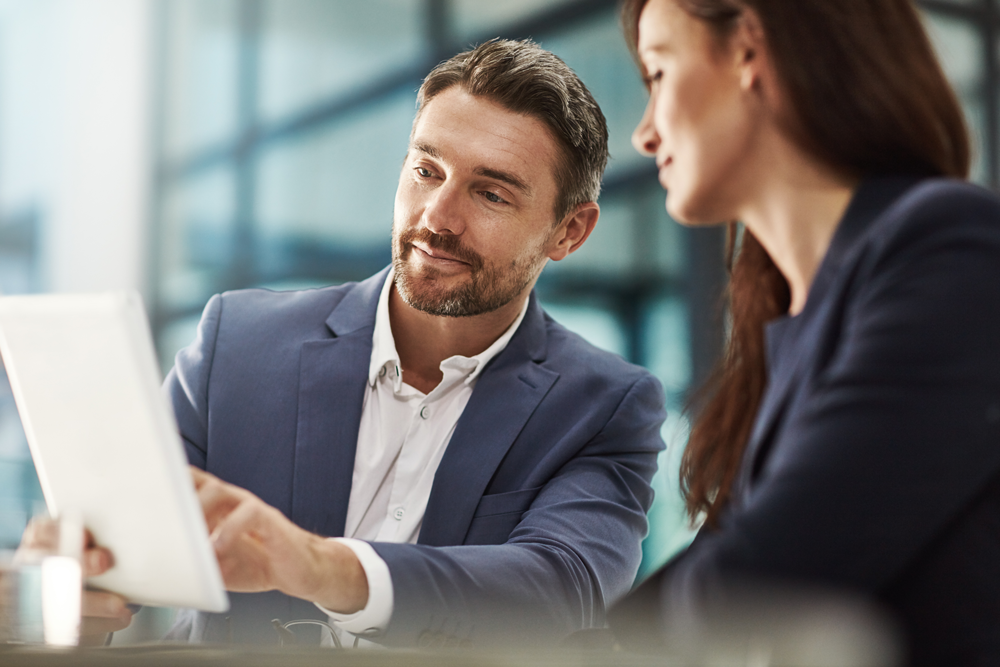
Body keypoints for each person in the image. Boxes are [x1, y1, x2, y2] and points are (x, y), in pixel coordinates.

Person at [64, 39, 665, 647]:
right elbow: (119, 562)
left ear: (570, 231)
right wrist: (70, 586)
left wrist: (323, 567)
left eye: (491, 194)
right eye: (426, 170)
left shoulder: (604, 407)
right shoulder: (237, 344)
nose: (437, 217)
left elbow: (559, 587)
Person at [607, 0, 1000, 664]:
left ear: (748, 50)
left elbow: (763, 573)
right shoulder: (793, 333)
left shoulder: (952, 246)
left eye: (658, 73)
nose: (645, 133)